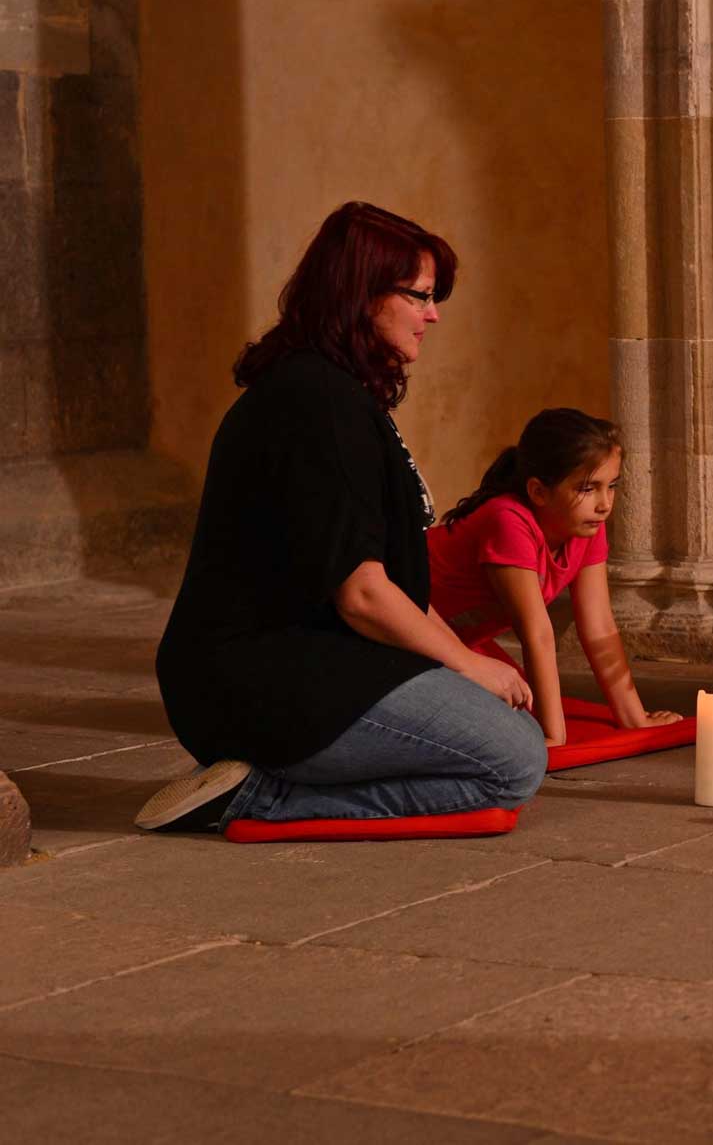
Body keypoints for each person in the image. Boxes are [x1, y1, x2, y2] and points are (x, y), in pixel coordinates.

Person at [137, 202, 546, 832]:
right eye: (420, 297)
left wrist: (466, 664)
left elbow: (394, 579)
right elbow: (361, 593)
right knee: (513, 762)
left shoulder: (335, 394)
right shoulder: (316, 403)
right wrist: (466, 665)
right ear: (361, 295)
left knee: (507, 726)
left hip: (316, 662)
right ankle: (253, 797)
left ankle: (271, 777)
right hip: (259, 679)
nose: (433, 315)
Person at [429, 408, 680, 745]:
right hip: (405, 628)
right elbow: (536, 632)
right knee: (485, 720)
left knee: (510, 703)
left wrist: (633, 717)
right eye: (588, 488)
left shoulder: (585, 527)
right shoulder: (508, 520)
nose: (605, 504)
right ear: (538, 492)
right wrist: (551, 736)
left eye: (612, 486)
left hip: (458, 641)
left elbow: (599, 628)